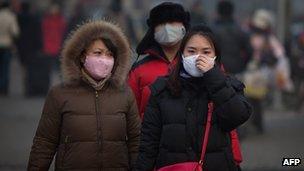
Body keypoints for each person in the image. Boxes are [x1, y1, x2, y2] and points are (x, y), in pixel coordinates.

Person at [28, 20, 141, 170]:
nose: (104, 59)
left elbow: (136, 142)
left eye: (109, 54)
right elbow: (45, 142)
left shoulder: (124, 94)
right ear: (82, 56)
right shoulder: (60, 94)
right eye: (97, 53)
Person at [136, 24, 252, 171]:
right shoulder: (162, 90)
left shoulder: (228, 86)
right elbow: (148, 144)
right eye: (191, 51)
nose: (198, 57)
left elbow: (237, 116)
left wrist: (213, 77)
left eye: (206, 52)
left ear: (215, 56)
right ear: (182, 54)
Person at [128, 2, 190, 119]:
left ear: (184, 26)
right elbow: (130, 114)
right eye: (161, 23)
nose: (167, 28)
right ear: (153, 31)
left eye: (172, 22)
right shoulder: (139, 70)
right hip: (150, 135)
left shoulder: (199, 63)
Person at [212, 0, 251, 76]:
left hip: (216, 68)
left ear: (218, 11)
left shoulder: (212, 30)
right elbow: (249, 52)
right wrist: (243, 64)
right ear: (232, 12)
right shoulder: (241, 31)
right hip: (236, 70)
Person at [0, 1, 19, 95]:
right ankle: (4, 88)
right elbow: (15, 32)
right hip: (7, 45)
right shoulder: (11, 16)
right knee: (5, 67)